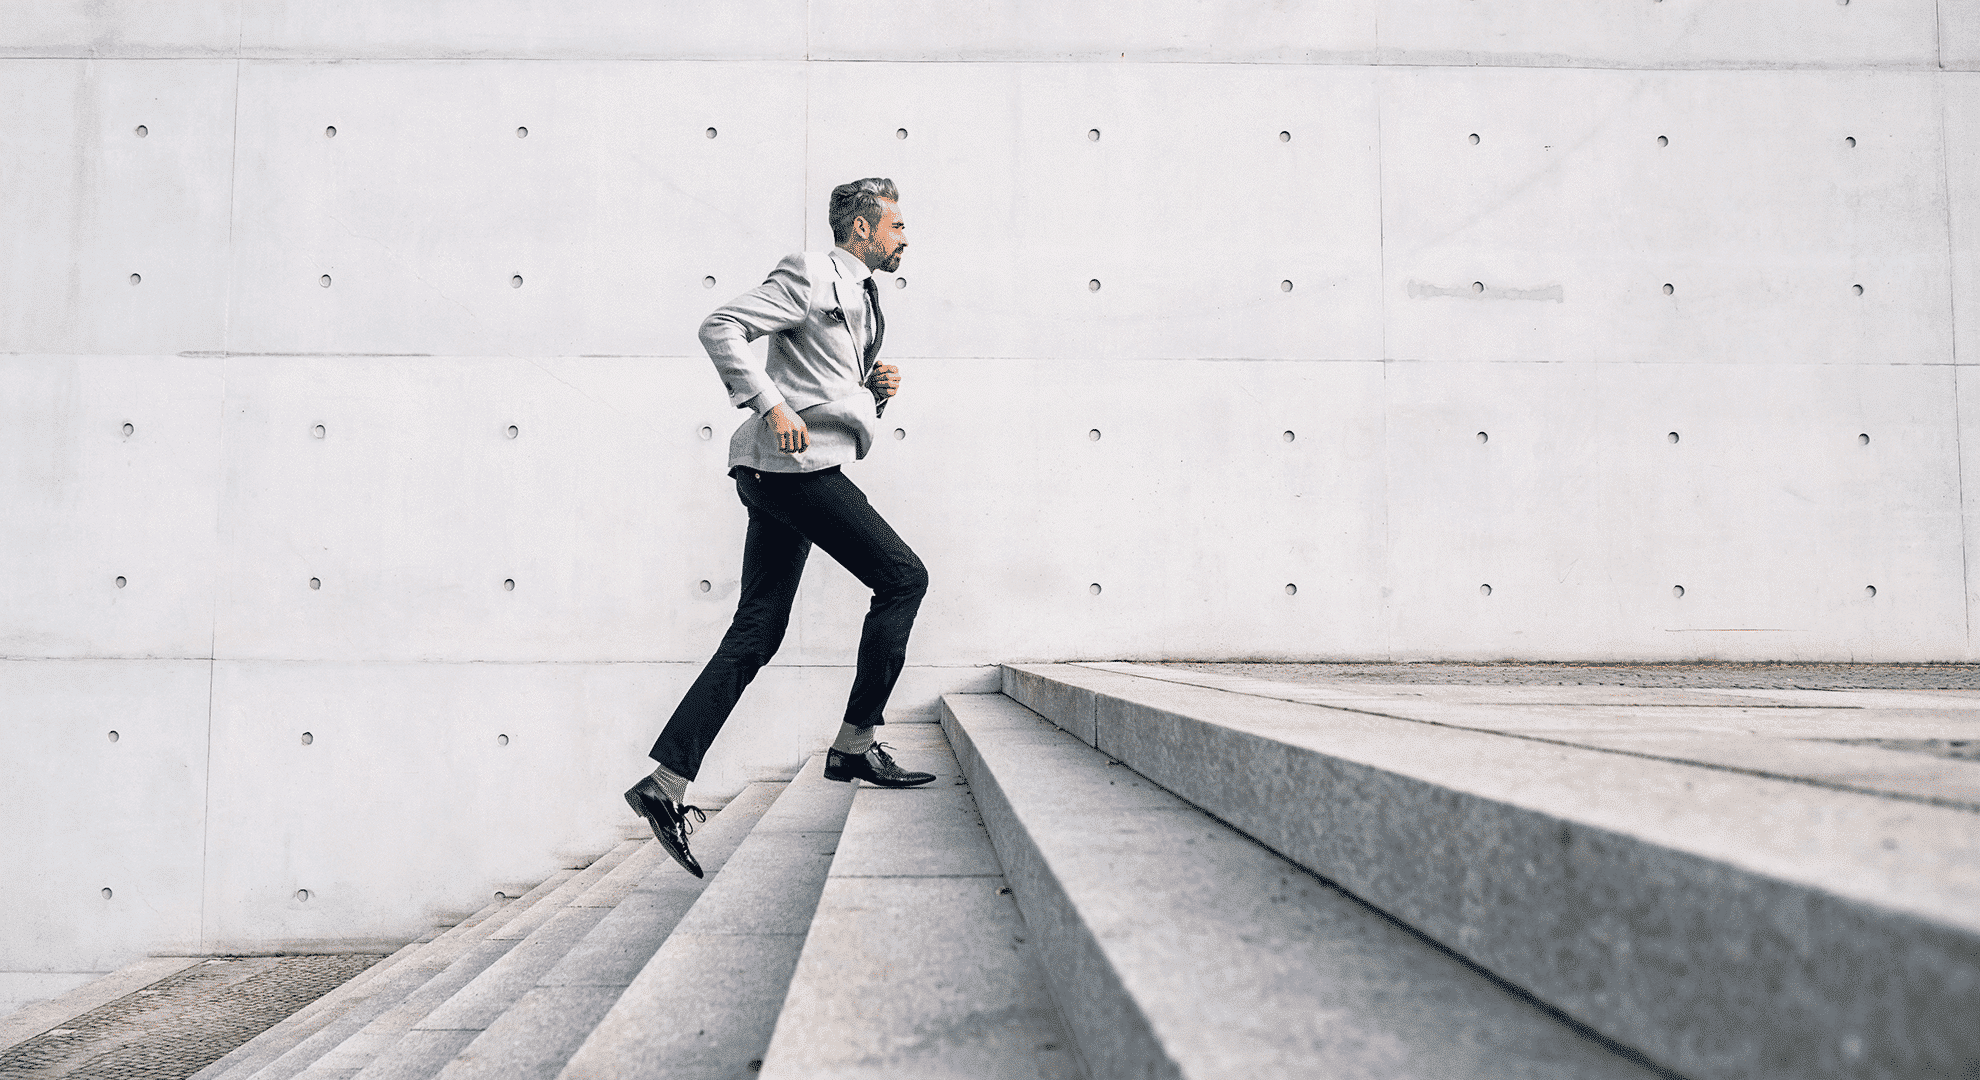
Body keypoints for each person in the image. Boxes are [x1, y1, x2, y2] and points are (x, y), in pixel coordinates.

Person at [625, 178, 936, 878]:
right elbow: (721, 327)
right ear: (860, 228)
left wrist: (870, 393)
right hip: (791, 468)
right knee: (903, 578)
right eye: (896, 225)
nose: (905, 238)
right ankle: (855, 743)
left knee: (758, 629)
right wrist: (771, 407)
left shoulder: (864, 295)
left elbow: (821, 383)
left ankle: (665, 784)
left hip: (786, 471)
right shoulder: (808, 271)